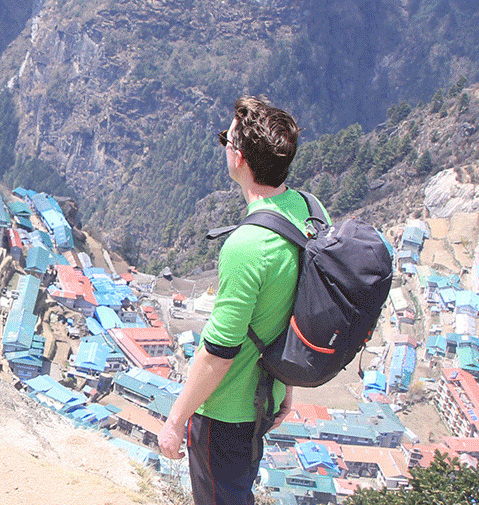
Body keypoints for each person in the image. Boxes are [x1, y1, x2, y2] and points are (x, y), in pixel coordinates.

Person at [157, 95, 308, 505]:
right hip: (268, 394)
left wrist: (175, 421)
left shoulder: (246, 247)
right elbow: (304, 311)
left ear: (238, 158)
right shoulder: (309, 210)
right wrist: (287, 386)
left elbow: (218, 353)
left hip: (226, 410)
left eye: (226, 140)